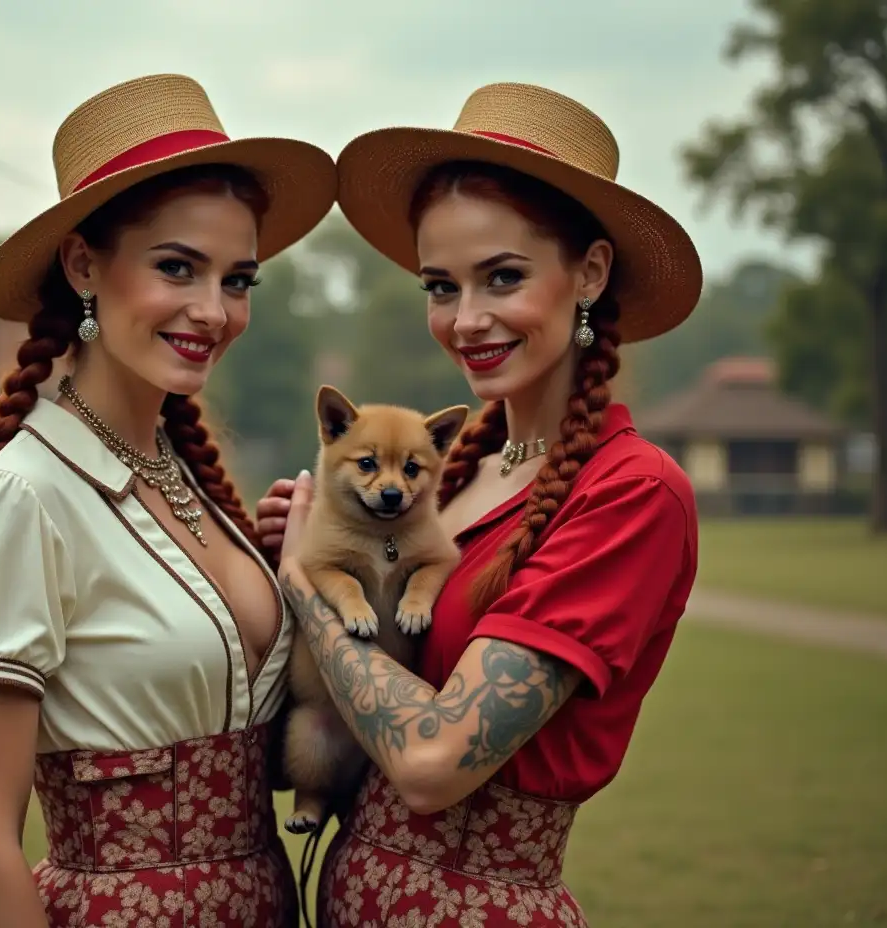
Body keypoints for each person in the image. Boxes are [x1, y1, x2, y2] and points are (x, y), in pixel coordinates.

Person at [257, 82, 703, 926]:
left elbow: (431, 763)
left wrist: (307, 592)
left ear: (591, 273)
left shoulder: (631, 490)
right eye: (440, 285)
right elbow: (342, 703)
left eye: (502, 277)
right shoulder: (457, 470)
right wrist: (311, 541)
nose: (466, 320)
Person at [0, 73, 337, 927]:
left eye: (238, 279)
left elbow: (251, 752)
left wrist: (303, 573)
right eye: (177, 267)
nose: (213, 310)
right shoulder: (24, 497)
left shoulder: (188, 480)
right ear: (83, 265)